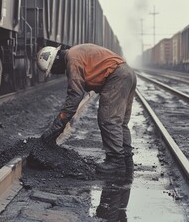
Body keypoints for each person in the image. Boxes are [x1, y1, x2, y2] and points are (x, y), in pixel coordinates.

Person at [37, 43, 137, 176]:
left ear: (56, 61)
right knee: (121, 122)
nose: (58, 73)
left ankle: (116, 162)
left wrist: (56, 128)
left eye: (53, 70)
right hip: (127, 73)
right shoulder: (75, 53)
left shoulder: (73, 61)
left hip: (117, 77)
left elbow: (75, 96)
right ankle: (126, 159)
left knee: (108, 119)